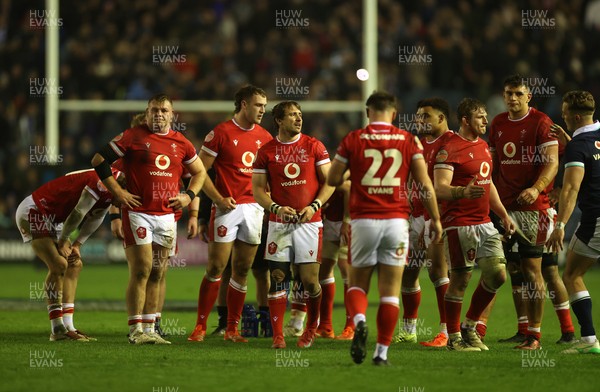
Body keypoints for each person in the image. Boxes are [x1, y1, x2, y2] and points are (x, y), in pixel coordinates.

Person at [327, 91, 442, 366]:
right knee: (390, 291)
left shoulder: (353, 139)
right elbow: (425, 185)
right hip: (396, 221)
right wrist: (436, 219)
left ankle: (359, 321)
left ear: (368, 112)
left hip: (364, 221)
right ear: (393, 113)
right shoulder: (408, 140)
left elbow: (332, 178)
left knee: (357, 283)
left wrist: (351, 170)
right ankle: (381, 353)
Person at [91, 93, 206, 344]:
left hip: (166, 216)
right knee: (142, 269)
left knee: (157, 271)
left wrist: (189, 197)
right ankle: (135, 330)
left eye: (164, 110)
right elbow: (99, 161)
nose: (159, 115)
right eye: (154, 110)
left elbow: (200, 172)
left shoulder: (181, 142)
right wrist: (118, 193)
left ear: (172, 115)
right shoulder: (133, 136)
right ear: (147, 112)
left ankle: (150, 328)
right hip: (138, 213)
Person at [188, 85, 273, 343]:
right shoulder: (220, 134)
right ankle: (200, 327)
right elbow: (200, 172)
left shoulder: (266, 137)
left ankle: (232, 330)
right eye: (258, 105)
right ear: (244, 104)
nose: (262, 110)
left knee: (243, 269)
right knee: (216, 267)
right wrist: (217, 199)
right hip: (228, 208)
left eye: (264, 106)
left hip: (254, 208)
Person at [433, 98, 514, 351]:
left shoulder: (484, 147)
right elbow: (439, 188)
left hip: (484, 222)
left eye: (486, 116)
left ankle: (470, 326)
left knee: (498, 274)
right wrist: (462, 193)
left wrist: (503, 214)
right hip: (458, 223)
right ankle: (454, 338)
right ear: (466, 120)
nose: (486, 121)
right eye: (480, 117)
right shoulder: (449, 148)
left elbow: (487, 185)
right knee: (460, 279)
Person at [252, 100, 335, 349]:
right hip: (279, 223)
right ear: (278, 120)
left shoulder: (314, 146)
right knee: (278, 277)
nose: (298, 119)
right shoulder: (266, 151)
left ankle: (310, 329)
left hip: (310, 223)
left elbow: (330, 182)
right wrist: (276, 208)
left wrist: (314, 207)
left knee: (310, 281)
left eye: (299, 115)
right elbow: (257, 190)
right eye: (291, 115)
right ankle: (278, 335)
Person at [488, 75, 559, 350]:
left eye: (518, 93)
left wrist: (536, 187)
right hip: (504, 208)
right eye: (508, 93)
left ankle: (536, 336)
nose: (513, 98)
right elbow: (493, 165)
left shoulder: (541, 122)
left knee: (533, 270)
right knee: (506, 269)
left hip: (533, 208)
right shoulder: (497, 123)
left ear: (529, 96)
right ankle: (514, 330)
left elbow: (552, 163)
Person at [15, 167, 123, 341]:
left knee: (75, 263)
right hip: (35, 211)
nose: (122, 206)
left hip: (55, 219)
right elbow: (79, 212)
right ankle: (57, 328)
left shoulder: (113, 184)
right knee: (59, 265)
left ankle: (68, 326)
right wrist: (65, 239)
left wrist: (77, 244)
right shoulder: (101, 183)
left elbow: (96, 217)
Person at [393, 98, 453, 348]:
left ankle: (447, 332)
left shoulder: (452, 142)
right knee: (408, 274)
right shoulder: (416, 143)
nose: (420, 121)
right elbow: (406, 178)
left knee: (437, 271)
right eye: (418, 116)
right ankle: (409, 330)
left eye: (426, 116)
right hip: (414, 216)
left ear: (441, 118)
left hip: (438, 216)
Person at [547, 90, 600, 354]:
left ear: (576, 116)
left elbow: (570, 190)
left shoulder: (578, 148)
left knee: (572, 274)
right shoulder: (588, 140)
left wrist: (560, 226)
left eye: (566, 112)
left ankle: (589, 339)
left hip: (596, 220)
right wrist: (570, 142)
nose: (563, 116)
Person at [317, 180, 351, 339]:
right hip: (329, 221)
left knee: (346, 268)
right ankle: (325, 326)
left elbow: (348, 187)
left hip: (348, 221)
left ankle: (351, 327)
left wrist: (347, 220)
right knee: (323, 269)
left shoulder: (329, 170)